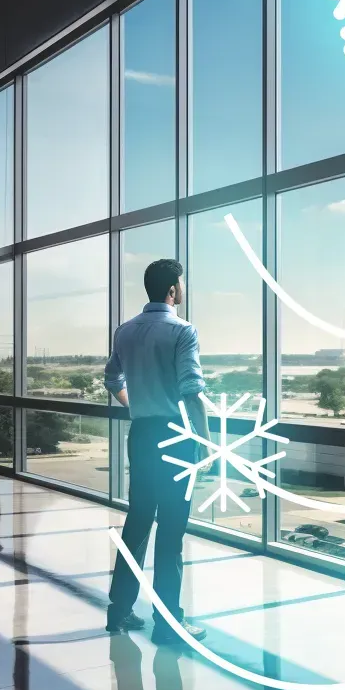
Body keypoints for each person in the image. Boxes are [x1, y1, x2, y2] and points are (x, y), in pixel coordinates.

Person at [104, 259, 210, 644]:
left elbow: (111, 378)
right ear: (172, 291)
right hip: (176, 437)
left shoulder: (126, 330)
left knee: (137, 523)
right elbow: (191, 389)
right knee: (171, 532)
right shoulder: (182, 331)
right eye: (180, 284)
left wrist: (135, 405)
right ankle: (168, 624)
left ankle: (118, 612)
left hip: (142, 433)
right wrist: (206, 439)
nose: (182, 290)